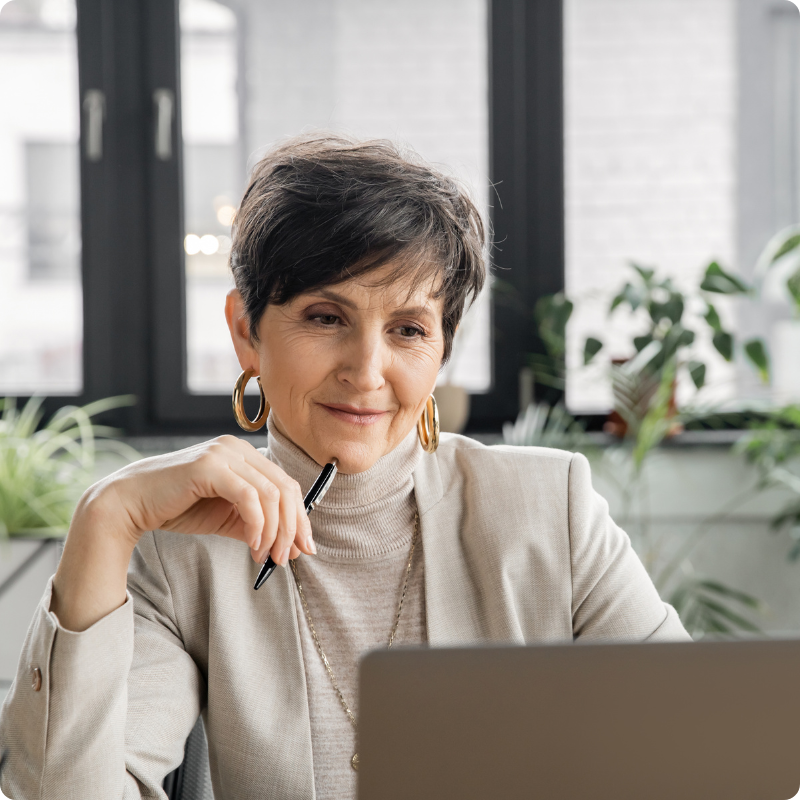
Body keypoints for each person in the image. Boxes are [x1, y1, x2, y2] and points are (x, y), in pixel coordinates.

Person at [0, 134, 689, 800]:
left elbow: (696, 745)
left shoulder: (550, 507)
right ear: (246, 331)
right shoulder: (179, 554)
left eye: (409, 329)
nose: (366, 372)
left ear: (442, 347)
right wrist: (106, 517)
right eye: (327, 317)